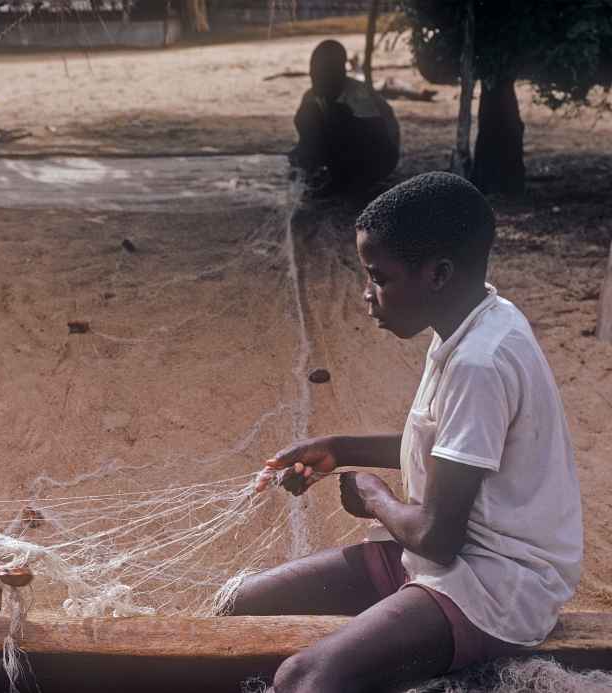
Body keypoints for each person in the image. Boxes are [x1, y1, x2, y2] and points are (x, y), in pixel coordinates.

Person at [224, 172, 582, 692]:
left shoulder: (480, 363)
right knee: (239, 606)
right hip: (451, 560)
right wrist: (339, 448)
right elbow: (452, 449)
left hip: (498, 585)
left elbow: (437, 537)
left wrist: (373, 495)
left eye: (379, 278)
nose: (367, 295)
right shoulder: (474, 322)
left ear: (438, 274)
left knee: (304, 678)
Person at [288, 40, 400, 196]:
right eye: (313, 72)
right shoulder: (311, 96)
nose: (315, 78)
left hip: (379, 157)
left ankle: (348, 180)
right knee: (309, 115)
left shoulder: (359, 95)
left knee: (339, 115)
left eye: (322, 73)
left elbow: (379, 138)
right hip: (346, 149)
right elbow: (308, 135)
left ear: (340, 72)